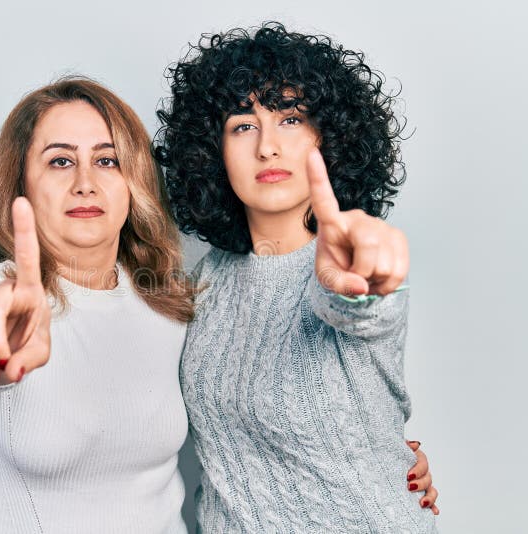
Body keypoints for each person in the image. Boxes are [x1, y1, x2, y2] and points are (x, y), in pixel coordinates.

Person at [153, 22, 439, 532]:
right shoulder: (204, 281)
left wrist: (367, 282)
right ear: (211, 151)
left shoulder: (343, 263)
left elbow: (364, 303)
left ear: (328, 138)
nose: (266, 146)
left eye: (289, 119)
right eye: (243, 124)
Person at [0, 77, 197, 532]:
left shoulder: (168, 303)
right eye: (60, 161)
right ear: (21, 186)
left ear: (133, 181)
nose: (85, 183)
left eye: (106, 160)